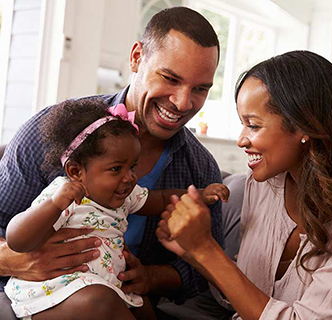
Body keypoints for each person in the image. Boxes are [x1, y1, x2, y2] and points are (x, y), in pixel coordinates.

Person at [157, 50, 332, 320]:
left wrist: (206, 250)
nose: (241, 140)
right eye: (242, 124)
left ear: (305, 125)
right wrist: (193, 250)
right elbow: (245, 298)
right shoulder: (264, 184)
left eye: (253, 125)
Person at [0, 6, 223, 319]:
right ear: (136, 58)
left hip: (122, 296)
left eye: (200, 89)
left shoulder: (199, 169)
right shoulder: (54, 134)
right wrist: (14, 259)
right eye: (170, 78)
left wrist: (149, 277)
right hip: (37, 298)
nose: (184, 102)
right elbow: (9, 228)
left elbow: (204, 273)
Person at [4, 100, 228, 319]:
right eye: (116, 169)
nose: (129, 177)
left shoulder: (126, 195)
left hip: (109, 284)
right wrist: (53, 206)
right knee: (101, 300)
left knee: (144, 306)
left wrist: (198, 194)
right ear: (75, 171)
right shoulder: (63, 196)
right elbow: (17, 239)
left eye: (132, 167)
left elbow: (160, 199)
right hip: (56, 293)